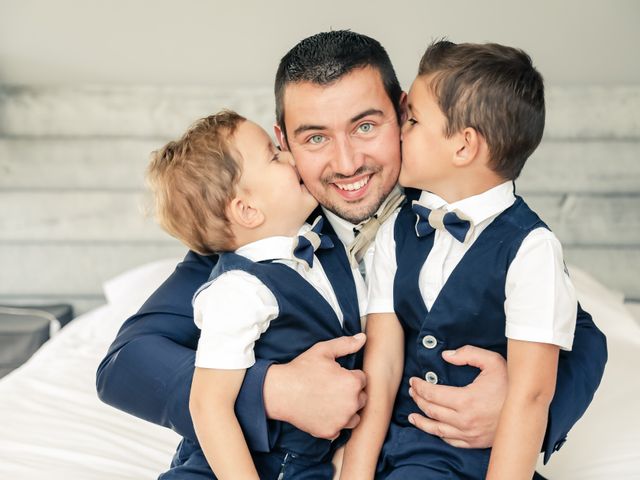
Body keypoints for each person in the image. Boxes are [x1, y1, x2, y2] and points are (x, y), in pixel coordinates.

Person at [96, 31, 607, 479]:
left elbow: (584, 338)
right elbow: (124, 365)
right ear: (283, 143)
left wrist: (515, 410)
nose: (347, 163)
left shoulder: (468, 219)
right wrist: (276, 390)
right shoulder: (253, 235)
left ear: (403, 114)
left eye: (366, 127)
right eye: (315, 137)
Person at [340, 40, 586, 479]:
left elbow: (530, 395)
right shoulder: (397, 232)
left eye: (412, 119)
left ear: (463, 146)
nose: (397, 131)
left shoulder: (531, 249)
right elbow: (383, 367)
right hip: (403, 448)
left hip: (485, 462)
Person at [145, 110, 365, 479]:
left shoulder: (321, 251)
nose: (294, 156)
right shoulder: (239, 290)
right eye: (274, 155)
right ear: (247, 210)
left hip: (304, 465)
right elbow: (208, 405)